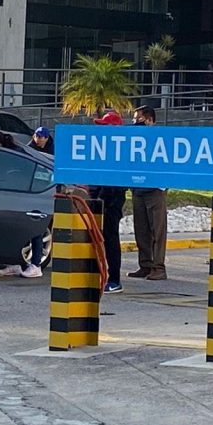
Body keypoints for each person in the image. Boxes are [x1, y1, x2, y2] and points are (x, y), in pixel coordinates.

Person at [0, 131, 44, 279]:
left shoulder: (14, 155)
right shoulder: (12, 152)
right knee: (14, 230)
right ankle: (14, 264)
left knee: (35, 231)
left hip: (27, 195)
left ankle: (36, 266)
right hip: (17, 195)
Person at [88, 109, 127, 292]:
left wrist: (102, 199)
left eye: (105, 127)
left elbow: (115, 182)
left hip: (111, 201)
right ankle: (102, 276)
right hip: (97, 199)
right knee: (98, 240)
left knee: (110, 240)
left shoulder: (119, 152)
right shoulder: (102, 148)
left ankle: (114, 279)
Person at [128, 105, 168, 281]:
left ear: (150, 120)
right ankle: (145, 264)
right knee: (141, 230)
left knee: (157, 231)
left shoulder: (161, 139)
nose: (135, 123)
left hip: (155, 189)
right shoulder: (134, 140)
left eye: (139, 119)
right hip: (138, 189)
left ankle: (159, 267)